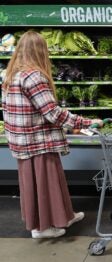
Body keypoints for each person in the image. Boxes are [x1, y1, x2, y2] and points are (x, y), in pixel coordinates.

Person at [1, 31, 103, 239]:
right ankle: (42, 228)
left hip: (21, 141)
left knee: (42, 183)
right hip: (37, 140)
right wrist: (87, 122)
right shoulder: (34, 76)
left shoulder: (11, 75)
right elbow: (52, 113)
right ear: (40, 52)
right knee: (45, 184)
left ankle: (63, 216)